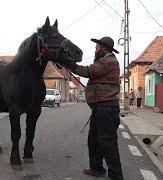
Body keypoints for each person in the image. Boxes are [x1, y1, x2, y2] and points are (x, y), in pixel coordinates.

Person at [62, 36, 123, 180]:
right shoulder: (105, 60)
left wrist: (70, 64)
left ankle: (116, 175)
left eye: (97, 47)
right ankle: (97, 168)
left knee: (107, 142)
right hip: (100, 109)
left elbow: (89, 71)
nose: (95, 50)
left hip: (106, 109)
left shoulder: (108, 60)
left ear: (103, 48)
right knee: (94, 141)